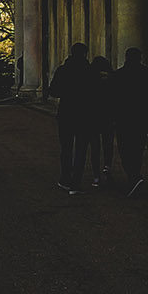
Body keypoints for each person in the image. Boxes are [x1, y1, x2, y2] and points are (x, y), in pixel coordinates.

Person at [110, 47, 148, 197]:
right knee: (137, 148)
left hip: (123, 119)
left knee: (125, 148)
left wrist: (113, 117)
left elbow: (110, 100)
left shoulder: (118, 75)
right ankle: (134, 175)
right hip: (141, 119)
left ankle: (133, 176)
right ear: (140, 58)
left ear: (126, 58)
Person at [44, 42, 95, 194]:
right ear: (85, 54)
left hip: (66, 113)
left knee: (66, 148)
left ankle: (65, 178)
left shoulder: (63, 70)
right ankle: (75, 183)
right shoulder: (89, 71)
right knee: (81, 150)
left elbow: (54, 91)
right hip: (84, 114)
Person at [86, 55, 115, 186]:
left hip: (93, 116)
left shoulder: (90, 79)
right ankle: (107, 167)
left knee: (95, 146)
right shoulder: (112, 78)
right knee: (108, 144)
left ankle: (96, 175)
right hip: (108, 115)